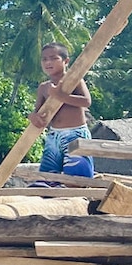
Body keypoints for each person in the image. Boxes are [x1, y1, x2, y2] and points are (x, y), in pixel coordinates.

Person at [28, 41, 93, 176]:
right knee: (49, 177)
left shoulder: (76, 81)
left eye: (53, 58)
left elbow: (86, 102)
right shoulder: (43, 87)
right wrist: (32, 117)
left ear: (66, 61)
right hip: (54, 136)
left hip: (76, 134)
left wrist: (60, 96)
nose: (48, 62)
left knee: (77, 177)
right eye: (44, 59)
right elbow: (38, 112)